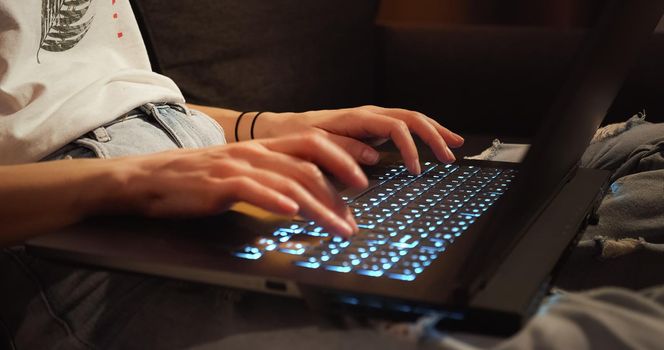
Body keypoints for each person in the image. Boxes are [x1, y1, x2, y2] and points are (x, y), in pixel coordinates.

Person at [0, 1, 463, 348]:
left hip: (191, 170)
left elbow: (106, 96)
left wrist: (269, 124)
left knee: (462, 295)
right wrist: (130, 180)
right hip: (66, 221)